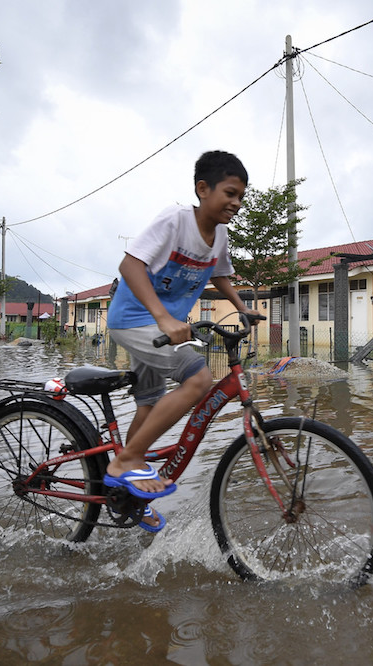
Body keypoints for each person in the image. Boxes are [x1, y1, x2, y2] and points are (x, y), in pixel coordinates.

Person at [105, 150, 259, 531]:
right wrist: (162, 317)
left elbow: (220, 274)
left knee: (148, 402)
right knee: (198, 380)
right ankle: (127, 460)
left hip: (163, 327)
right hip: (135, 320)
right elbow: (130, 264)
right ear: (202, 189)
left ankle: (129, 494)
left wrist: (242, 306)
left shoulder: (219, 235)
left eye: (241, 196)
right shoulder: (175, 220)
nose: (236, 203)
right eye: (230, 193)